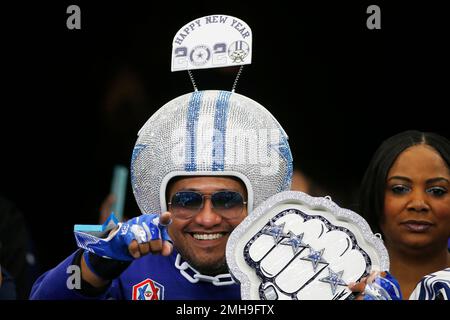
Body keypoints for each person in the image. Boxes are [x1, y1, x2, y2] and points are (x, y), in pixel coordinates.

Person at [30, 90, 294, 299]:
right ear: (163, 206)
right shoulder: (129, 266)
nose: (207, 219)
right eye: (187, 201)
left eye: (227, 200)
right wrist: (99, 262)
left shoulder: (296, 269)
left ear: (253, 205)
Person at [359, 130, 450, 300]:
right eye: (399, 189)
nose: (418, 204)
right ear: (374, 194)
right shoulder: (338, 282)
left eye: (437, 191)